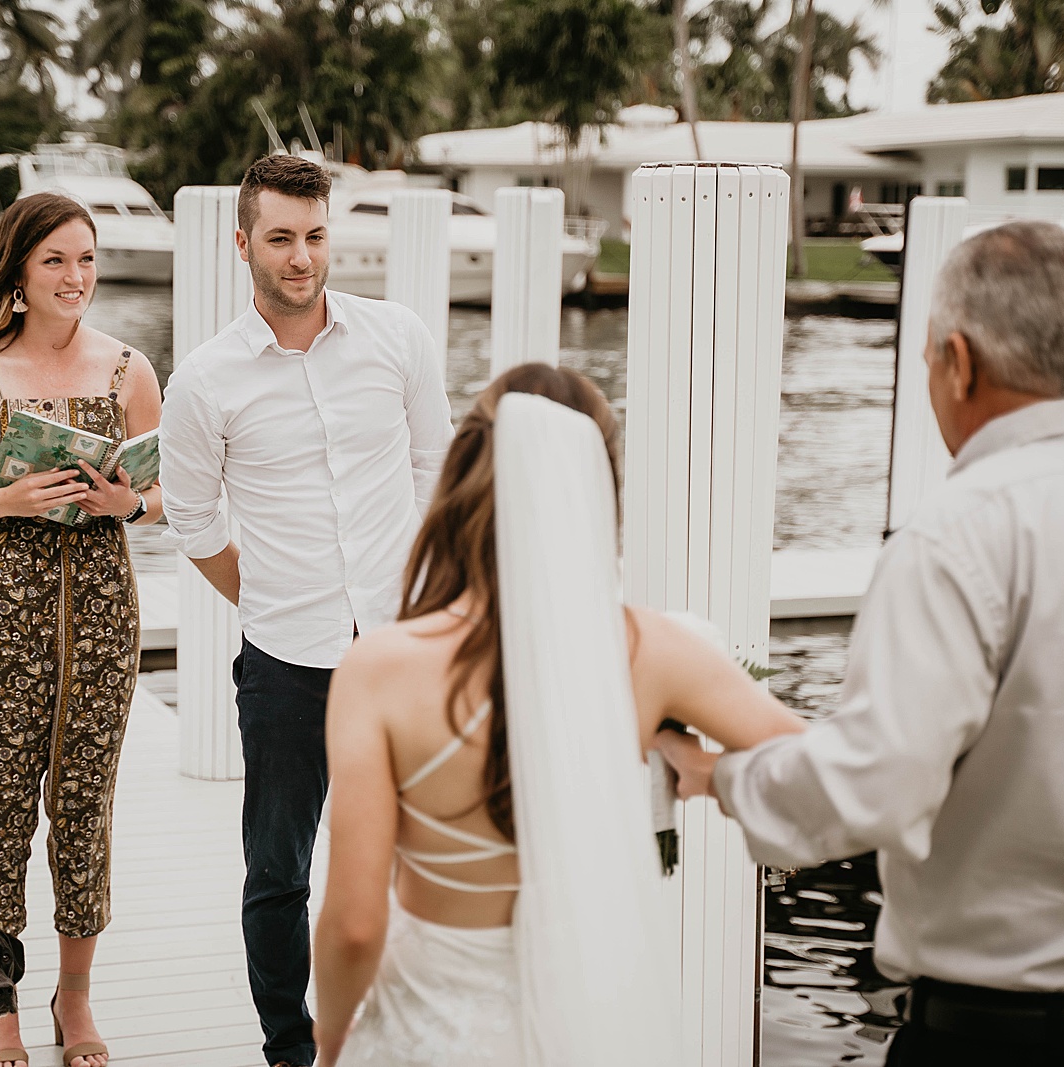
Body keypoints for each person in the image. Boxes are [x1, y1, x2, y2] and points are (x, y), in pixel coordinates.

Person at [657, 220, 1064, 1066]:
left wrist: (723, 775)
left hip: (998, 1040)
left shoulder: (954, 538)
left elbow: (874, 785)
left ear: (957, 360)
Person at [311, 364, 804, 1066]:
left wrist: (330, 1043)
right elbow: (825, 767)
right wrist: (708, 770)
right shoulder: (654, 650)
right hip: (588, 1027)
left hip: (428, 1030)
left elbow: (356, 926)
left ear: (466, 479)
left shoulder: (381, 669)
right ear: (599, 489)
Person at [158, 154, 456, 1067]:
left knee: (425, 857)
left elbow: (435, 466)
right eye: (281, 238)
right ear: (242, 242)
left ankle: (399, 1031)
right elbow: (193, 518)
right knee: (278, 872)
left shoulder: (397, 336)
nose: (302, 257)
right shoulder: (204, 380)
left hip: (402, 653)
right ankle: (290, 1048)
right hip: (286, 662)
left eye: (316, 236)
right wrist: (269, 598)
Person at [0, 191, 164, 1067]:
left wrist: (127, 501)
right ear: (18, 270)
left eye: (86, 258)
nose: (75, 276)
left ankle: (77, 996)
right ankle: (0, 1009)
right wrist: (7, 499)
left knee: (85, 812)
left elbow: (165, 495)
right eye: (55, 259)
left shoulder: (129, 370)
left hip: (101, 617)